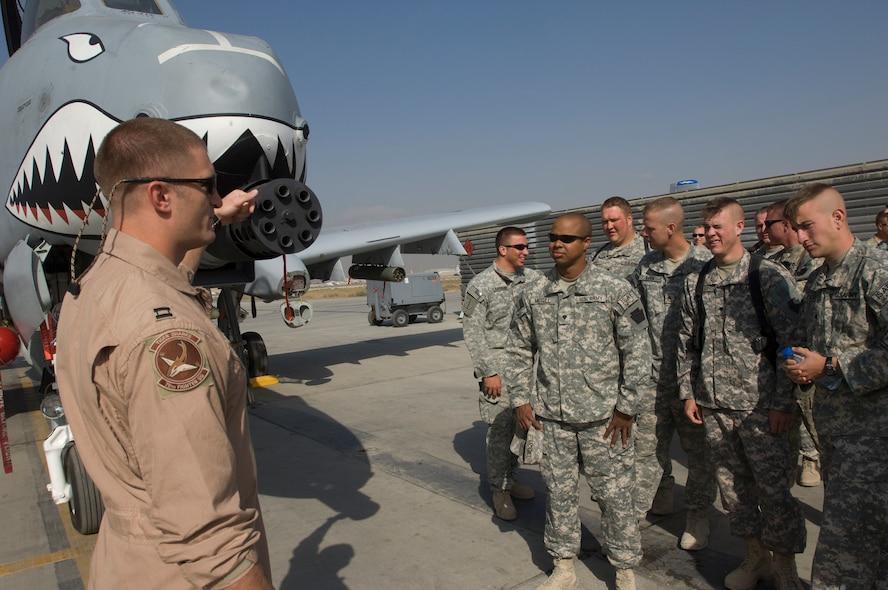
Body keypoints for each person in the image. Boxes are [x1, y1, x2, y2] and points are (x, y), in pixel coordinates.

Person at [56, 118, 273, 590]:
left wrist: (216, 219)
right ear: (161, 196)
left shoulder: (94, 287)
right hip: (180, 574)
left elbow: (164, 277)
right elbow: (208, 537)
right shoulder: (167, 338)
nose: (217, 198)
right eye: (209, 185)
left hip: (127, 561)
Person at [506, 213, 651, 590]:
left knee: (615, 496)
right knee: (559, 493)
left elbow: (637, 351)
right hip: (551, 419)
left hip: (605, 419)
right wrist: (521, 399)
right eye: (553, 237)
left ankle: (623, 567)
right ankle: (563, 563)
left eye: (567, 239)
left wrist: (627, 408)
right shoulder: (535, 292)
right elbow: (519, 348)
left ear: (586, 243)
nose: (557, 244)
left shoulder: (614, 290)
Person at [677, 197, 807, 590]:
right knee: (732, 491)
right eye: (708, 228)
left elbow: (793, 343)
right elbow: (688, 343)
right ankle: (755, 558)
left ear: (740, 228)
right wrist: (688, 392)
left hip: (761, 407)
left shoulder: (767, 277)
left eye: (720, 227)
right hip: (715, 406)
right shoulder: (696, 281)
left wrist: (784, 402)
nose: (713, 234)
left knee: (774, 492)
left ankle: (785, 568)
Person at [783, 183, 888, 590]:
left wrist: (830, 365)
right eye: (797, 229)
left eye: (808, 227)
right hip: (836, 433)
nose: (802, 238)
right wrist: (807, 369)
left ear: (839, 218)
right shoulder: (819, 277)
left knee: (846, 553)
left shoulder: (874, 272)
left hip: (873, 435)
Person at [631, 197, 716, 551]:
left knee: (699, 454)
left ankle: (697, 515)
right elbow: (633, 312)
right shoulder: (646, 265)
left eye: (649, 227)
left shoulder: (705, 265)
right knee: (645, 448)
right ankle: (646, 504)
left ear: (670, 227)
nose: (643, 233)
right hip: (651, 377)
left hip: (691, 383)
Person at [461, 226, 541, 520]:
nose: (526, 251)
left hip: (528, 371)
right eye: (519, 247)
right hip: (499, 374)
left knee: (523, 428)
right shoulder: (481, 285)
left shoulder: (533, 280)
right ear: (502, 249)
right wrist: (488, 372)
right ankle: (500, 489)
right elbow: (473, 332)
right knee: (499, 432)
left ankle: (512, 477)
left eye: (526, 246)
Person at [763, 200, 823, 488]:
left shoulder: (815, 261)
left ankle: (811, 459)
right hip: (787, 364)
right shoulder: (770, 264)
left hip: (817, 368)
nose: (764, 229)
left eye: (769, 224)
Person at [591, 196, 648, 279]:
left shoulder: (648, 251)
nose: (609, 226)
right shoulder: (597, 254)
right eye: (605, 222)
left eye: (614, 220)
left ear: (629, 220)